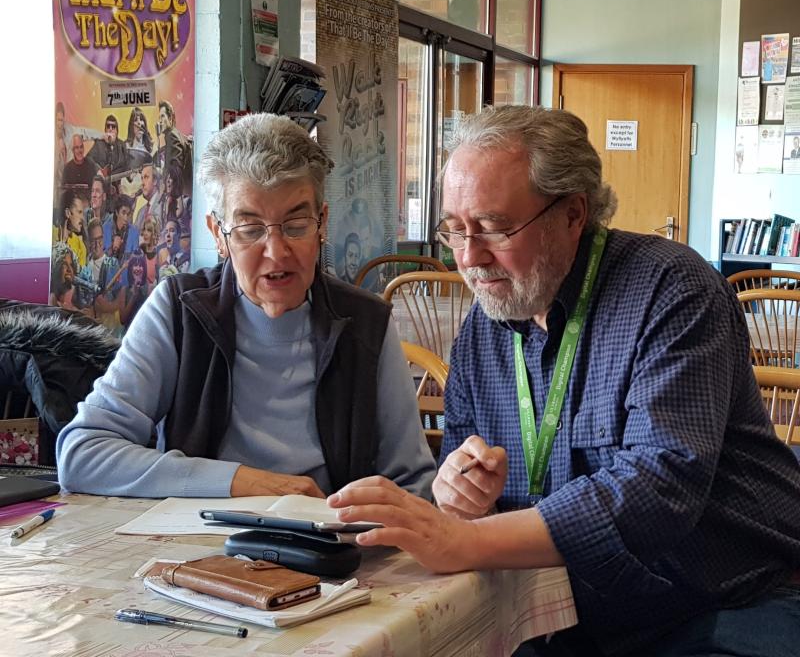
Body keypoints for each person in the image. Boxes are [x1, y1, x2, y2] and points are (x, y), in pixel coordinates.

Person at [328, 105, 800, 657]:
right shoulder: (485, 327)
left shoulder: (672, 289)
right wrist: (459, 493)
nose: (469, 258)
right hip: (566, 608)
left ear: (573, 213)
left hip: (726, 603)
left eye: (495, 228)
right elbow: (459, 459)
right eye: (454, 231)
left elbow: (660, 485)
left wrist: (466, 539)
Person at [57, 113, 435, 501]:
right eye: (250, 229)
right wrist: (239, 482)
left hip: (326, 550)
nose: (276, 252)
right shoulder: (178, 313)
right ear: (218, 235)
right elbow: (82, 453)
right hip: (194, 551)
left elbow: (415, 485)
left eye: (296, 224)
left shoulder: (367, 324)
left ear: (322, 224)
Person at [88, 114, 128, 179]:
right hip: (102, 184)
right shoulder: (99, 144)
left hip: (117, 185)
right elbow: (88, 159)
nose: (110, 129)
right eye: (108, 126)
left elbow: (127, 165)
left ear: (117, 131)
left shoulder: (122, 145)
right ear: (105, 130)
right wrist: (98, 170)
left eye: (113, 127)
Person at [62, 134, 99, 200]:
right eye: (76, 148)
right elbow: (64, 193)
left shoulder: (91, 164)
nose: (79, 151)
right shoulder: (67, 168)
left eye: (81, 147)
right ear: (72, 150)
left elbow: (96, 187)